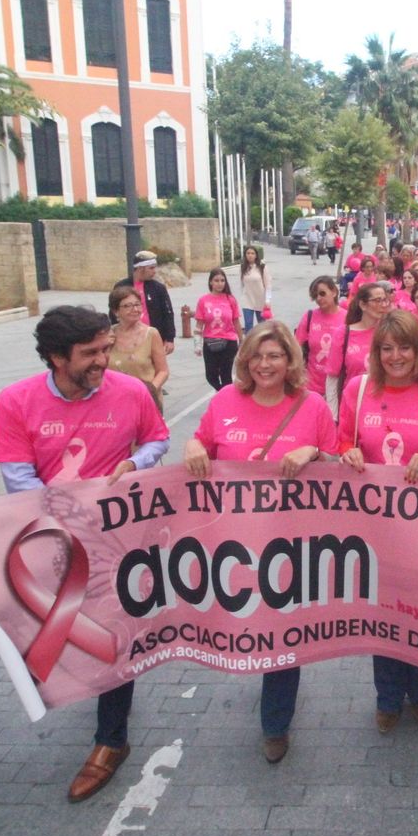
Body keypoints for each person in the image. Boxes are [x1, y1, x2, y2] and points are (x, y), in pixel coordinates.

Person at [0, 306, 169, 804]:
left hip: (117, 542)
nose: (103, 360)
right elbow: (15, 473)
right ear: (55, 357)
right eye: (90, 353)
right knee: (60, 630)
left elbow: (157, 438)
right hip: (49, 542)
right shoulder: (15, 400)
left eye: (105, 349)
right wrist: (59, 514)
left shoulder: (131, 392)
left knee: (115, 629)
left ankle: (111, 740)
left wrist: (135, 462)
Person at [183, 322, 339, 764]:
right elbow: (204, 443)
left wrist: (311, 452)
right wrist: (194, 444)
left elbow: (335, 462)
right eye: (256, 356)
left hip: (291, 544)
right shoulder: (224, 402)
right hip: (234, 544)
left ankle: (275, 721)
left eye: (274, 356)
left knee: (281, 632)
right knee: (246, 624)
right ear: (244, 361)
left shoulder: (311, 407)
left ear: (290, 361)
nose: (265, 364)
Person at [337, 311, 418, 734]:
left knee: (417, 613)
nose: (396, 356)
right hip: (374, 529)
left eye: (404, 347)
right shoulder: (358, 390)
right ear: (375, 352)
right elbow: (341, 441)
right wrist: (347, 454)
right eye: (386, 348)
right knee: (382, 616)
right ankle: (387, 697)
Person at [107, 283, 169, 412]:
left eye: (137, 304)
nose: (135, 309)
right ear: (115, 311)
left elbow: (163, 371)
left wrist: (149, 390)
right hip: (116, 403)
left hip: (146, 402)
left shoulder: (151, 334)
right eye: (127, 306)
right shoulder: (108, 335)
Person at [296, 274, 348, 411]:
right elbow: (295, 348)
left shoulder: (347, 318)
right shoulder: (309, 317)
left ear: (334, 292)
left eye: (322, 293)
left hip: (337, 386)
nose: (319, 298)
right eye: (315, 296)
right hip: (311, 385)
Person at [193, 268, 242, 392]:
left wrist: (241, 340)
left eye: (222, 280)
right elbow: (199, 324)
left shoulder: (230, 299)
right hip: (210, 342)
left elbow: (236, 321)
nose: (220, 283)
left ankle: (226, 401)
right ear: (211, 282)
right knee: (211, 376)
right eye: (216, 280)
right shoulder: (203, 300)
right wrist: (197, 344)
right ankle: (223, 393)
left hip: (228, 341)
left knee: (226, 376)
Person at [341, 280, 393, 385]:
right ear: (363, 305)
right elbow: (333, 376)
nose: (383, 305)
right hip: (353, 396)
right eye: (377, 300)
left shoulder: (390, 330)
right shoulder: (344, 333)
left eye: (384, 300)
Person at [126, 249, 175, 355]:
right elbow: (114, 312)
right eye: (151, 268)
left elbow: (168, 313)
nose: (154, 271)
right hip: (128, 338)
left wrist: (170, 338)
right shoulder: (122, 287)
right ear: (140, 268)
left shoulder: (158, 288)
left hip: (152, 337)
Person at [238, 244, 272, 329]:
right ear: (245, 255)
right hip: (247, 300)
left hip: (260, 300)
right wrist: (242, 296)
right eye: (248, 253)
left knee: (262, 326)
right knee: (248, 325)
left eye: (252, 253)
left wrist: (267, 300)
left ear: (256, 255)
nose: (250, 255)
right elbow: (242, 284)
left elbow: (268, 285)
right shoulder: (242, 267)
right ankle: (249, 342)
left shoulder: (262, 267)